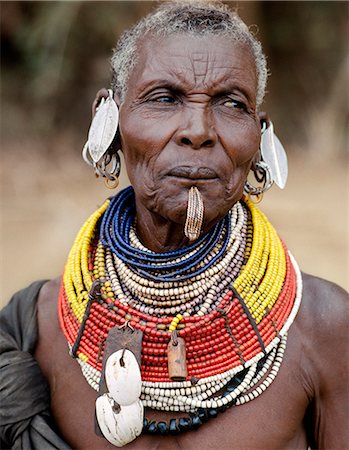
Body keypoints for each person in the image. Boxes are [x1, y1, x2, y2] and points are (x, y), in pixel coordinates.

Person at [1, 2, 348, 449]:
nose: (198, 130)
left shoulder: (324, 329)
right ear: (111, 117)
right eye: (165, 98)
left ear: (259, 135)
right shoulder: (42, 326)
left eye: (230, 103)